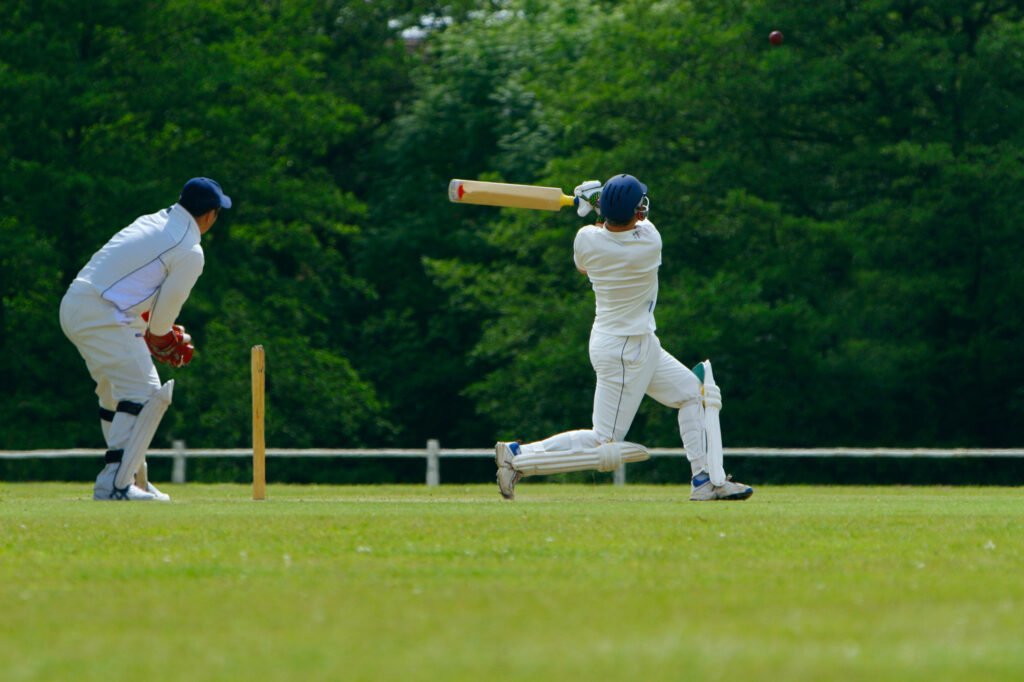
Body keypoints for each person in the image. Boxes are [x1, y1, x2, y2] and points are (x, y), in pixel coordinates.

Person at [495, 174, 753, 502]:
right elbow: (632, 222)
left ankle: (703, 479)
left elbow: (585, 265)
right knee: (604, 439)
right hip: (624, 351)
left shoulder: (585, 240)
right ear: (637, 212)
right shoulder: (649, 243)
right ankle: (517, 455)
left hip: (633, 341)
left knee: (691, 394)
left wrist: (589, 208)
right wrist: (596, 205)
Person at [59, 177, 231, 501]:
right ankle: (115, 484)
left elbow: (132, 289)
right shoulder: (190, 250)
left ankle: (134, 481)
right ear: (210, 215)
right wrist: (161, 336)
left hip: (77, 304)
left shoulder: (153, 221)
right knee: (147, 393)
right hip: (103, 313)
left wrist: (153, 331)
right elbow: (165, 314)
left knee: (116, 394)